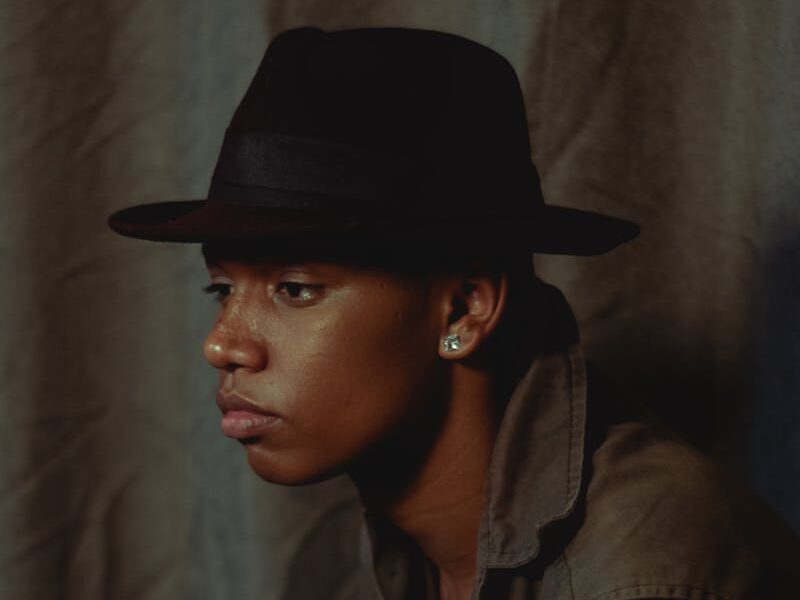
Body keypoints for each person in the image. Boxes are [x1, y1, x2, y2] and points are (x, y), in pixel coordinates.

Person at [108, 26, 800, 600]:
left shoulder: (648, 570)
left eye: (295, 289)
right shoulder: (416, 534)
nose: (222, 345)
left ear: (465, 310)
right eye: (222, 290)